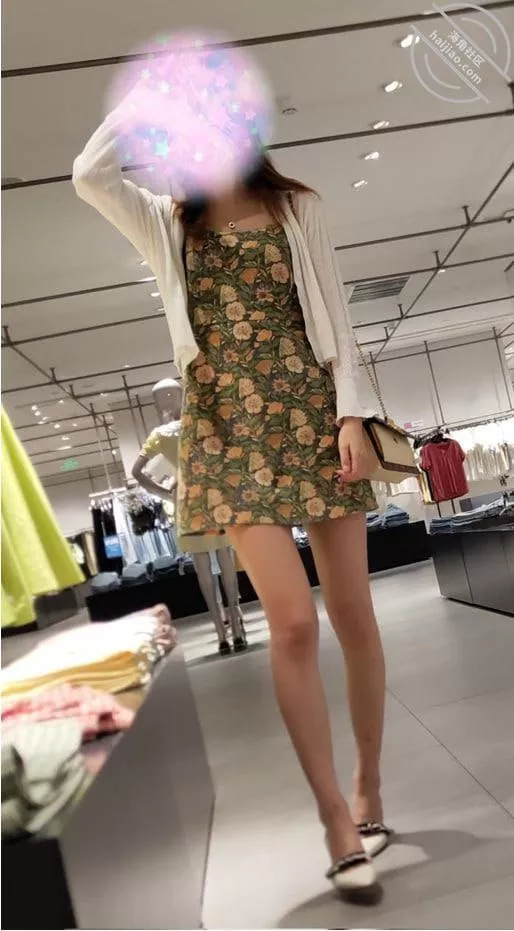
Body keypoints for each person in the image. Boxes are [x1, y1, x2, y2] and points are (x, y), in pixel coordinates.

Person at [73, 99, 389, 900]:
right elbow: (89, 175)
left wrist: (352, 413)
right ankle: (334, 818)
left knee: (352, 611)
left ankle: (370, 784)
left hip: (313, 416)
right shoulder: (167, 222)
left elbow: (336, 317)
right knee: (291, 621)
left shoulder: (297, 207)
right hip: (225, 433)